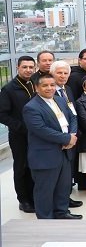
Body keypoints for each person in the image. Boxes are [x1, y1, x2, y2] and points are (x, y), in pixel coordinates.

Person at [23, 74, 80, 219]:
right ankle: (45, 220)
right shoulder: (31, 107)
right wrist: (67, 138)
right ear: (36, 88)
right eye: (45, 85)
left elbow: (72, 117)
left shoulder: (60, 100)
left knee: (63, 186)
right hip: (46, 156)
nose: (49, 88)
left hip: (64, 153)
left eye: (52, 85)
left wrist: (72, 136)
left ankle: (61, 212)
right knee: (45, 190)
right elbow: (41, 130)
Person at [0, 56, 38, 213]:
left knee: (33, 166)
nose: (28, 70)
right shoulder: (9, 89)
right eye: (25, 67)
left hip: (36, 135)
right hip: (19, 136)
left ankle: (33, 195)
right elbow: (2, 114)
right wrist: (21, 127)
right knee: (21, 167)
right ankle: (23, 200)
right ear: (18, 68)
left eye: (31, 67)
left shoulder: (34, 84)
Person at [50, 61, 84, 207]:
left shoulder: (67, 89)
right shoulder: (49, 92)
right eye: (59, 73)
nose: (63, 76)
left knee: (68, 171)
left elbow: (73, 114)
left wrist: (73, 134)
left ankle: (66, 197)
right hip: (57, 139)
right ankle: (58, 201)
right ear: (52, 74)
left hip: (72, 136)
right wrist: (65, 137)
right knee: (57, 173)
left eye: (65, 73)